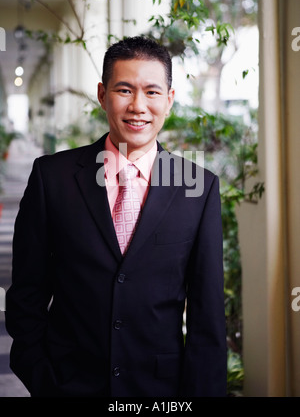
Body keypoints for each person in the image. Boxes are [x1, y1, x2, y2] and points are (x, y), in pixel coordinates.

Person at [5, 36, 227, 397]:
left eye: (152, 92)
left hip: (159, 391)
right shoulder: (52, 178)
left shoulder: (198, 189)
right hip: (69, 382)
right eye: (124, 90)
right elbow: (26, 293)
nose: (138, 106)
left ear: (169, 100)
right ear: (102, 94)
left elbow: (208, 318)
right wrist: (42, 377)